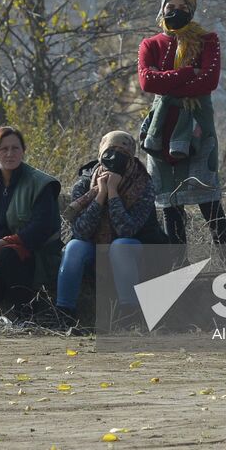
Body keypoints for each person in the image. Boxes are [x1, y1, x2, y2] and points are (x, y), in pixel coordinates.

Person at [138, 0, 226, 247]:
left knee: (209, 200)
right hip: (162, 131)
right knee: (171, 203)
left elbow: (209, 81)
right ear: (162, 8)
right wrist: (190, 72)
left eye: (182, 6)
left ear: (191, 9)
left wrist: (166, 82)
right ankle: (179, 267)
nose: (175, 11)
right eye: (171, 6)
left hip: (198, 128)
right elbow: (147, 82)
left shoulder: (207, 41)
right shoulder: (150, 44)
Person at [55, 130, 165, 327]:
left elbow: (127, 230)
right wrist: (99, 195)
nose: (115, 157)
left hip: (135, 251)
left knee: (120, 245)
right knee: (73, 247)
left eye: (122, 152)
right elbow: (80, 231)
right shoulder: (85, 182)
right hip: (93, 247)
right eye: (110, 151)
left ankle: (128, 314)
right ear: (100, 153)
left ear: (131, 157)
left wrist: (113, 193)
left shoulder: (143, 185)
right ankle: (64, 313)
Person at [0, 126, 62, 319]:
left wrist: (0, 244)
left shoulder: (41, 184)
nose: (10, 154)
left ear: (23, 151)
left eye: (15, 148)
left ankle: (24, 315)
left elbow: (41, 229)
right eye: (3, 149)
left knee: (7, 255)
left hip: (32, 257)